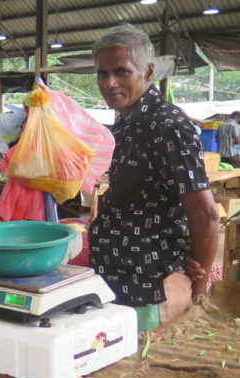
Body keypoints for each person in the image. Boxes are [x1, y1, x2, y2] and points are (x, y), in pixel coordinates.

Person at [88, 24, 219, 332]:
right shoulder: (126, 122)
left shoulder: (166, 125)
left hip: (149, 290)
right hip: (119, 283)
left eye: (121, 71)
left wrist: (198, 289)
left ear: (147, 72)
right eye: (101, 73)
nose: (109, 83)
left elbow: (206, 214)